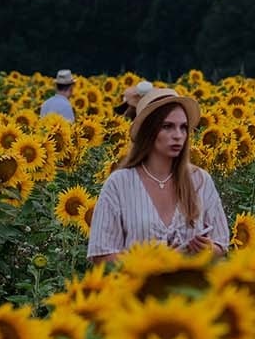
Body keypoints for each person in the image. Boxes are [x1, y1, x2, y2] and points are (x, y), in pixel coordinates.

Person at [88, 88, 230, 263]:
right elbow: (100, 254)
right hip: (137, 287)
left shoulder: (200, 181)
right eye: (167, 126)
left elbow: (221, 244)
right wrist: (148, 259)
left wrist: (207, 249)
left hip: (189, 287)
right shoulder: (119, 184)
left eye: (183, 127)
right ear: (148, 131)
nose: (178, 136)